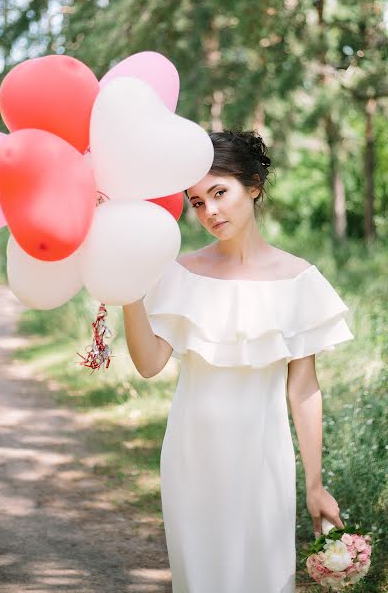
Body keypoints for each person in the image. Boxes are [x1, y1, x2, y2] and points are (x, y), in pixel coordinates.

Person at [122, 130, 355, 592]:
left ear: (253, 186)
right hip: (191, 457)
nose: (210, 211)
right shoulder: (179, 273)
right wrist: (128, 291)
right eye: (197, 202)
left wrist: (315, 483)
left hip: (263, 456)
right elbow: (149, 364)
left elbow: (303, 388)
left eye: (219, 193)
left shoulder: (299, 280)